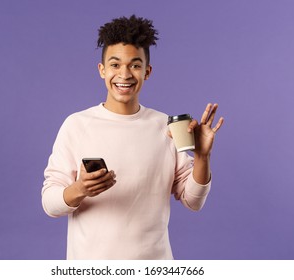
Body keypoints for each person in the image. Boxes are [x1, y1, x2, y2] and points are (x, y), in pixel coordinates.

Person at [41, 15, 224, 260]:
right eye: (115, 65)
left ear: (147, 72)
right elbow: (50, 203)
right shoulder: (77, 125)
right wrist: (79, 189)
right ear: (102, 70)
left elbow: (193, 201)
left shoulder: (166, 127)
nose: (124, 74)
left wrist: (202, 156)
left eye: (135, 65)